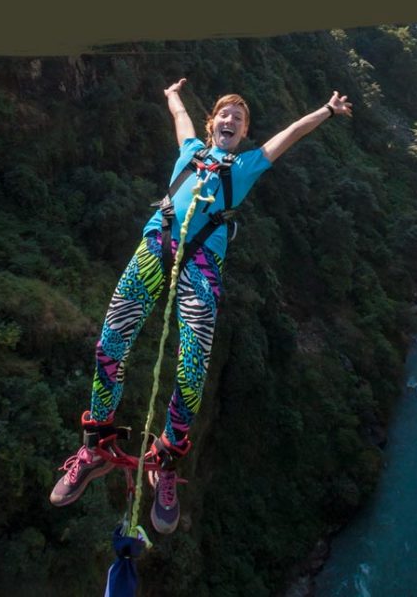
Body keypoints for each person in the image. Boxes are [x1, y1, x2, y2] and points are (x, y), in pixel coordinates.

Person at [50, 77, 353, 534]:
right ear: (213, 124)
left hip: (202, 264)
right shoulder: (190, 148)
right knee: (110, 344)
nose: (231, 120)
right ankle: (95, 447)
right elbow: (180, 118)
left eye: (240, 117)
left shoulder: (247, 164)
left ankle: (167, 459)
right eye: (225, 114)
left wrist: (326, 110)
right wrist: (172, 93)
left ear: (244, 132)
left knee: (193, 366)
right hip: (155, 245)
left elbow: (289, 135)